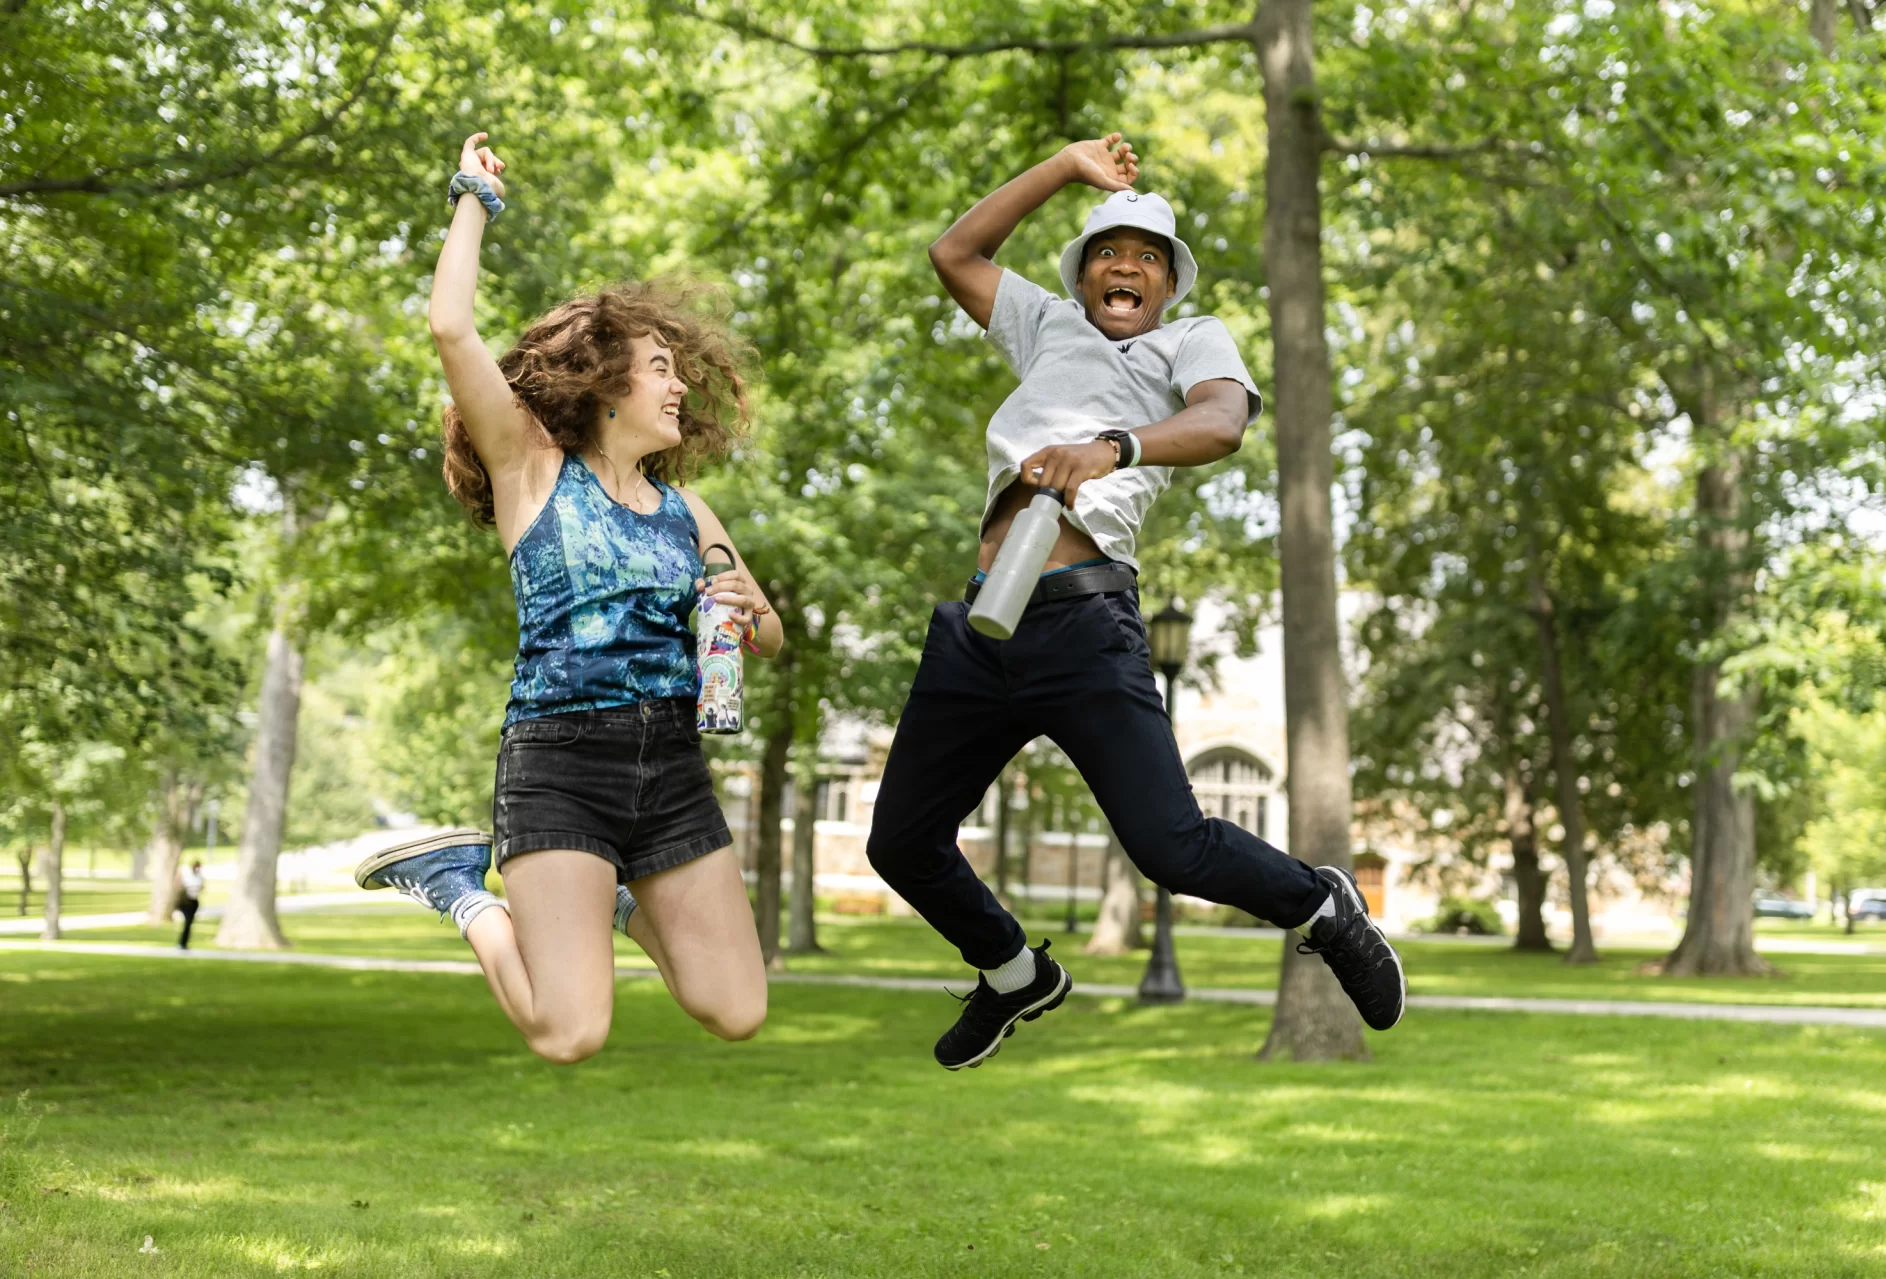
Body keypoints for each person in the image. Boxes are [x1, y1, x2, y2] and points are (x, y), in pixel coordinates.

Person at [867, 133, 1406, 1071]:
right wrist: (1066, 169)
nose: (1126, 266)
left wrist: (1111, 446)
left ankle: (1323, 905)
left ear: (1166, 285)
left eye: (1147, 257)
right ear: (1081, 279)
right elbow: (954, 253)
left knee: (1172, 846)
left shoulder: (1187, 341)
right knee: (900, 842)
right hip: (980, 622)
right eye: (1107, 253)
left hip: (1084, 620)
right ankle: (1010, 974)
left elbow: (1222, 421)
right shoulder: (1044, 326)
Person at [355, 132, 783, 1065]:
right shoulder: (532, 470)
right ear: (604, 381)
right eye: (659, 365)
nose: (678, 382)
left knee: (736, 1008)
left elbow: (765, 632)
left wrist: (754, 609)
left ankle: (613, 896)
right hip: (561, 761)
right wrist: (476, 193)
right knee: (569, 1032)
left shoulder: (687, 509)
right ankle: (457, 887)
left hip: (671, 765)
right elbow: (450, 329)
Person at [176, 860, 204, 949]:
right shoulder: (188, 876)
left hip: (194, 901)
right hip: (186, 901)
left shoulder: (200, 877)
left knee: (189, 922)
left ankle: (184, 942)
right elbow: (187, 886)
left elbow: (201, 887)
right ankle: (182, 943)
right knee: (188, 921)